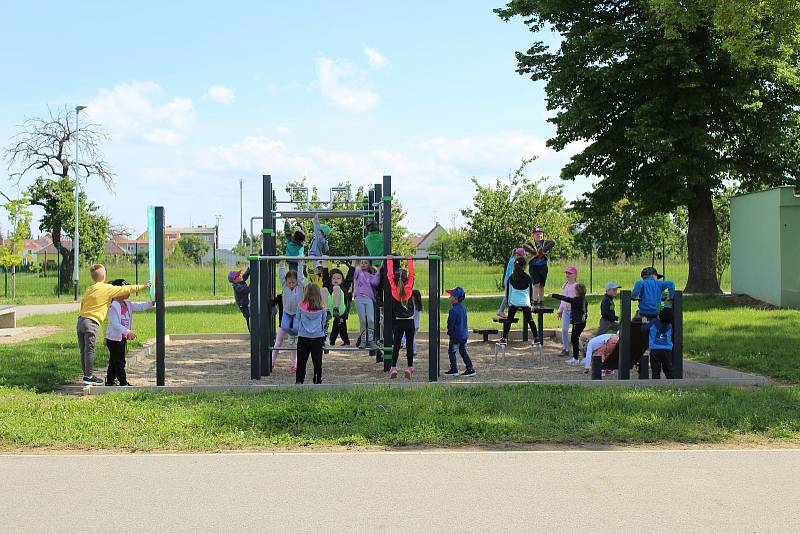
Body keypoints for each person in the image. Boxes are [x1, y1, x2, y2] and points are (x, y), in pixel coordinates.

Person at [76, 264, 150, 385]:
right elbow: (126, 289)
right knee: (90, 350)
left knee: (83, 351)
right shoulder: (107, 288)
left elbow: (83, 303)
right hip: (92, 322)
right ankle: (88, 376)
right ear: (104, 276)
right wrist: (144, 286)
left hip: (81, 321)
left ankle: (87, 375)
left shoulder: (89, 289)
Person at [104, 279, 154, 386]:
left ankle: (110, 381)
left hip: (121, 338)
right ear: (117, 291)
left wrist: (151, 303)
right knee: (120, 362)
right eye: (127, 290)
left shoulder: (127, 304)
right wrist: (127, 332)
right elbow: (115, 324)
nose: (129, 292)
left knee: (114, 361)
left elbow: (140, 306)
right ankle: (123, 382)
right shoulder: (113, 306)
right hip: (113, 339)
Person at [272, 261, 306, 373]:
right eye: (289, 282)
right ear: (286, 282)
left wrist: (301, 265)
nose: (291, 284)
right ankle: (271, 362)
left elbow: (301, 278)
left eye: (293, 282)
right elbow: (281, 276)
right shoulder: (285, 286)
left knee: (296, 328)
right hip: (286, 312)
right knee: (284, 326)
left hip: (297, 313)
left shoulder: (300, 287)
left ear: (296, 281)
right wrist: (282, 265)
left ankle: (294, 364)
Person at [387, 256, 416, 380]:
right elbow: (412, 274)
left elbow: (389, 274)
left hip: (398, 322)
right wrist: (409, 259)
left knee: (397, 345)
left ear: (395, 279)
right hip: (410, 322)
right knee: (409, 344)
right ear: (406, 279)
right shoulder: (409, 288)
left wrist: (389, 260)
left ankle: (393, 367)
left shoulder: (394, 290)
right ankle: (409, 367)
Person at [500, 257, 539, 344]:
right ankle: (536, 338)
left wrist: (508, 302)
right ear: (524, 266)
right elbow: (530, 291)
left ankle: (504, 338)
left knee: (509, 320)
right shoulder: (528, 277)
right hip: (525, 301)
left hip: (514, 301)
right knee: (530, 320)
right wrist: (531, 303)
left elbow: (508, 292)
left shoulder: (511, 277)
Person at [295, 283, 328, 384]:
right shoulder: (322, 306)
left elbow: (298, 318)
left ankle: (299, 380)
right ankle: (318, 379)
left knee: (301, 360)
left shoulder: (300, 305)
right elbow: (323, 322)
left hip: (303, 336)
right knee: (317, 361)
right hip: (317, 336)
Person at [551, 283, 588, 365]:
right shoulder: (584, 299)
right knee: (576, 340)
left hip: (578, 323)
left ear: (577, 291)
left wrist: (553, 295)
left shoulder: (576, 300)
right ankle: (581, 357)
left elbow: (565, 298)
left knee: (574, 340)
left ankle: (577, 358)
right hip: (581, 322)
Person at [445, 287, 476, 377]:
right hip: (463, 335)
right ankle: (470, 368)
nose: (449, 297)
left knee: (452, 352)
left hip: (455, 335)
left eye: (451, 296)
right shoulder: (463, 308)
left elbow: (450, 324)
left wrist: (450, 332)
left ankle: (454, 369)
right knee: (463, 351)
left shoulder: (453, 310)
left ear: (455, 298)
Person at [352, 259, 382, 349]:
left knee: (371, 320)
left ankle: (371, 340)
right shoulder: (358, 272)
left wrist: (378, 271)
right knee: (363, 321)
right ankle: (363, 341)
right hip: (359, 298)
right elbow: (354, 274)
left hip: (368, 298)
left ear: (369, 265)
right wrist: (355, 264)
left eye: (366, 263)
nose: (363, 264)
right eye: (362, 262)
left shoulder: (370, 275)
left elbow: (375, 282)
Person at [523, 226, 555, 307]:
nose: (539, 236)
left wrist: (543, 251)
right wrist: (535, 252)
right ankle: (535, 301)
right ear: (533, 235)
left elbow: (553, 242)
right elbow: (525, 246)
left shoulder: (545, 243)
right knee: (535, 284)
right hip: (533, 267)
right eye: (537, 234)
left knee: (542, 285)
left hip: (543, 266)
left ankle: (541, 301)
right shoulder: (530, 244)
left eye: (541, 234)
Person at [326, 265, 355, 347]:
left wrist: (353, 263)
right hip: (334, 311)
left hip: (342, 311)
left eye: (338, 278)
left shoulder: (344, 286)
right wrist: (325, 265)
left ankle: (345, 342)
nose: (336, 280)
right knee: (336, 326)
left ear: (342, 280)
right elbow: (325, 279)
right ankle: (334, 341)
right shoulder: (330, 287)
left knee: (340, 326)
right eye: (333, 278)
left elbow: (349, 277)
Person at [497, 247, 527, 320]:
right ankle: (501, 310)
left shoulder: (513, 259)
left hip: (508, 281)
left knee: (511, 296)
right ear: (519, 255)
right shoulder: (514, 261)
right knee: (507, 296)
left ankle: (511, 309)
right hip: (509, 281)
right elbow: (512, 273)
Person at [556, 266, 579, 356]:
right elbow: (562, 299)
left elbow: (579, 300)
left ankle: (578, 349)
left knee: (576, 331)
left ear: (575, 275)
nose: (567, 275)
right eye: (567, 273)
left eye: (570, 273)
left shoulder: (577, 286)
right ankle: (565, 349)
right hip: (566, 310)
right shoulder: (564, 285)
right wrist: (560, 310)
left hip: (574, 311)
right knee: (564, 329)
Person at [648, 307, 675, 379]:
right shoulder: (670, 326)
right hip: (667, 350)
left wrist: (644, 322)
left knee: (655, 370)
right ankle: (672, 384)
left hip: (655, 350)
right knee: (668, 370)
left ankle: (656, 385)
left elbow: (643, 329)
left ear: (660, 315)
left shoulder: (653, 323)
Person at [401, 289, 423, 355]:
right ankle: (413, 351)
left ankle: (404, 344)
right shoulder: (418, 305)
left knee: (405, 337)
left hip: (412, 323)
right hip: (417, 324)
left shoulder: (412, 305)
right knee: (412, 338)